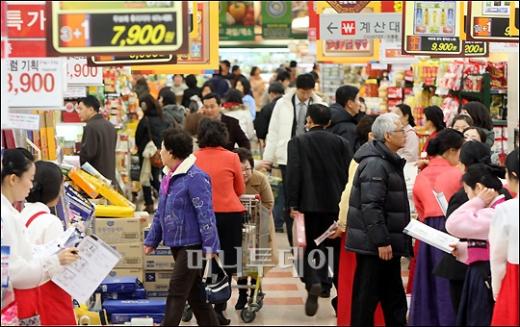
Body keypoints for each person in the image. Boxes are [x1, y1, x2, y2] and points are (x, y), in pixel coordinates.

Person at [143, 128, 220, 326]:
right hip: (176, 243)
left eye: (161, 148)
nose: (159, 152)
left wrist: (211, 246)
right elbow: (160, 212)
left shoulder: (195, 177)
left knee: (176, 290)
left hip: (193, 245)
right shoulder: (168, 176)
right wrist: (151, 240)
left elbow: (206, 213)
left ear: (171, 152)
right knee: (196, 295)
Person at [345, 113, 412, 326]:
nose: (406, 134)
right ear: (388, 136)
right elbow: (371, 206)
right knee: (367, 299)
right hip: (375, 246)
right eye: (401, 130)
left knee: (393, 298)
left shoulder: (387, 160)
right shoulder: (376, 164)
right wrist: (381, 241)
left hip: (385, 243)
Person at [286, 104, 352, 317]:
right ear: (329, 122)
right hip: (335, 205)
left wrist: (292, 203)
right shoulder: (342, 143)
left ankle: (313, 281)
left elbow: (293, 174)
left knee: (307, 246)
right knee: (334, 249)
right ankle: (339, 294)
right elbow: (348, 174)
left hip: (308, 204)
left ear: (309, 120)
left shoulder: (297, 142)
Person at [1, 149, 79, 324]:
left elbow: (24, 255)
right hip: (13, 304)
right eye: (29, 179)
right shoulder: (5, 217)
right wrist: (55, 261)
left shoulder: (12, 213)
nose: (31, 185)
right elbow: (13, 271)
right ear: (13, 179)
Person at [331, 115, 385, 326]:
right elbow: (349, 193)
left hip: (362, 229)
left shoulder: (369, 157)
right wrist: (342, 223)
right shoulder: (365, 159)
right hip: (361, 231)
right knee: (357, 280)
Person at [408, 129, 465, 326]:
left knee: (428, 282)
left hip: (427, 232)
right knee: (449, 283)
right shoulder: (457, 174)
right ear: (450, 151)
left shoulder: (423, 174)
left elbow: (419, 206)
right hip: (452, 230)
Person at [261, 74, 325, 246]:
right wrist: (267, 158)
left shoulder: (319, 105)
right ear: (297, 89)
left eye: (309, 92)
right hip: (287, 156)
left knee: (310, 194)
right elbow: (273, 132)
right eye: (303, 92)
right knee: (291, 197)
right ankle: (293, 236)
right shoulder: (282, 105)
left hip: (312, 158)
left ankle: (308, 234)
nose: (305, 96)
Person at [194, 119, 245, 325]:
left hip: (202, 216)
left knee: (197, 260)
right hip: (230, 215)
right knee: (224, 263)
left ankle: (198, 305)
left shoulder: (193, 158)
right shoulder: (232, 157)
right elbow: (239, 189)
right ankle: (219, 307)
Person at [434, 141, 494, 314]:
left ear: (465, 165)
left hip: (466, 266)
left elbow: (451, 226)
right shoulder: (498, 190)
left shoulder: (465, 194)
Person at [446, 163, 507, 326]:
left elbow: (452, 224)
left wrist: (478, 200)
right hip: (485, 271)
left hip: (485, 274)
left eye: (467, 192)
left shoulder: (493, 213)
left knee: (480, 318)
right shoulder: (496, 210)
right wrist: (465, 249)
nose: (467, 198)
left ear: (478, 187)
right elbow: (489, 243)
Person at [19, 161, 76, 325]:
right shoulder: (50, 222)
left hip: (25, 296)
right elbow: (56, 268)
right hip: (48, 299)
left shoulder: (19, 215)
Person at [233, 147, 277, 310]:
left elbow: (269, 203)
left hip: (259, 226)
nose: (244, 173)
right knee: (240, 263)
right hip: (237, 226)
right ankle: (243, 294)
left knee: (255, 262)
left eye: (247, 169)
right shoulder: (229, 180)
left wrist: (253, 211)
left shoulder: (260, 179)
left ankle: (255, 292)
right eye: (240, 169)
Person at [489, 149, 519, 326]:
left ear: (513, 175)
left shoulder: (505, 209)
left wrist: (497, 290)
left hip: (515, 280)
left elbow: (497, 256)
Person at [135, 94, 174, 213]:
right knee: (158, 176)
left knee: (146, 177)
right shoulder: (165, 117)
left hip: (147, 154)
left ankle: (149, 203)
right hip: (162, 152)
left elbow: (138, 137)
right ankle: (167, 197)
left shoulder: (145, 120)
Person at [78, 95, 117, 183]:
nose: (78, 112)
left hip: (96, 181)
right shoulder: (110, 125)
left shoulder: (91, 127)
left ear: (91, 109)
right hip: (109, 176)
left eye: (81, 109)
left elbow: (87, 155)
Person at [328, 85, 363, 153]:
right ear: (350, 103)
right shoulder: (348, 128)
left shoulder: (329, 118)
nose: (360, 104)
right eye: (358, 99)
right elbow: (348, 156)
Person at [254, 82, 285, 147]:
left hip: (272, 141)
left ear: (271, 94)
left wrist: (261, 137)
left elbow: (261, 129)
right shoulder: (290, 106)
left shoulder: (267, 108)